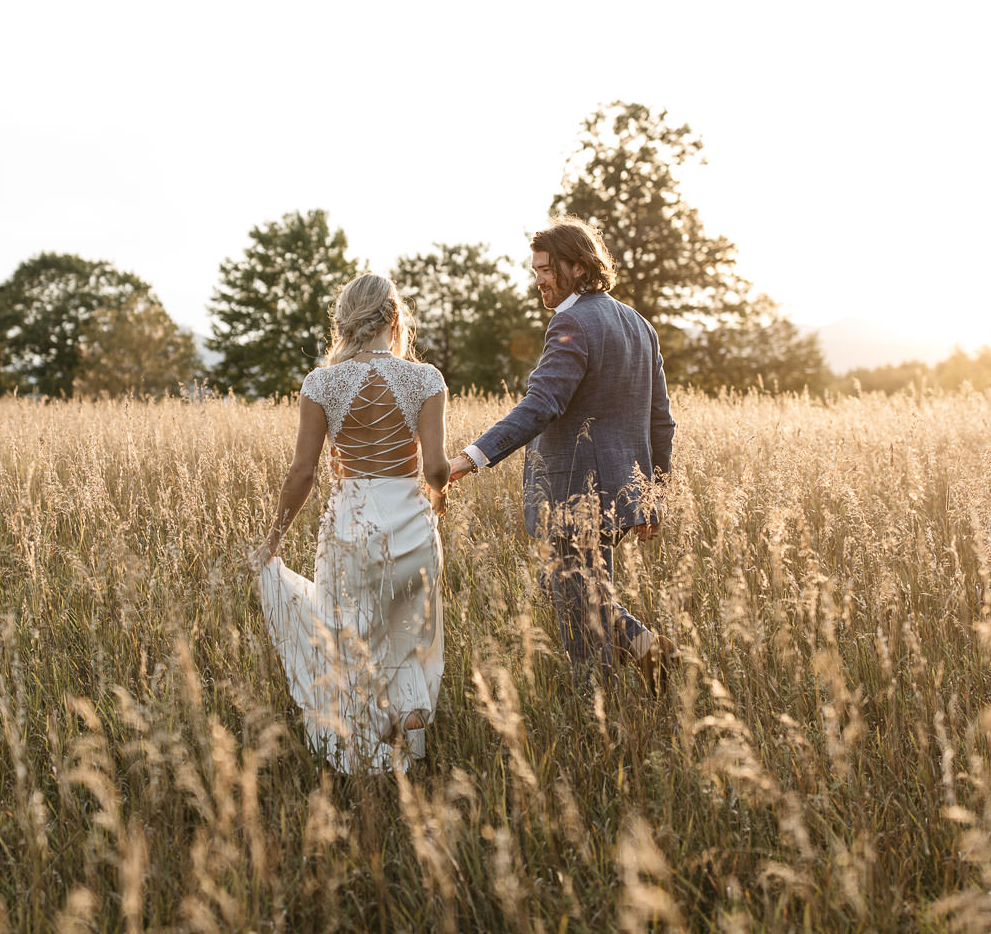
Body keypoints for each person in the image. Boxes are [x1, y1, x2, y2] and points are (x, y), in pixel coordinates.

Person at [448, 217, 675, 682]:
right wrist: (652, 494)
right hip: (620, 493)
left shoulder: (571, 321)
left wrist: (469, 459)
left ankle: (597, 709)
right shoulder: (639, 324)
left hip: (576, 493)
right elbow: (662, 421)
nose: (539, 281)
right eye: (535, 270)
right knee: (580, 590)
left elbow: (542, 404)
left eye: (547, 269)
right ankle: (644, 649)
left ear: (578, 265)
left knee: (579, 619)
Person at [250, 273, 448, 773]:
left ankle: (371, 752)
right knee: (407, 636)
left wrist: (271, 540)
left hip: (352, 527)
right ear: (395, 317)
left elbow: (303, 472)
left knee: (352, 640)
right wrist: (441, 492)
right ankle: (415, 738)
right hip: (413, 528)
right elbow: (436, 469)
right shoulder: (425, 379)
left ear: (344, 321)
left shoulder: (322, 384)